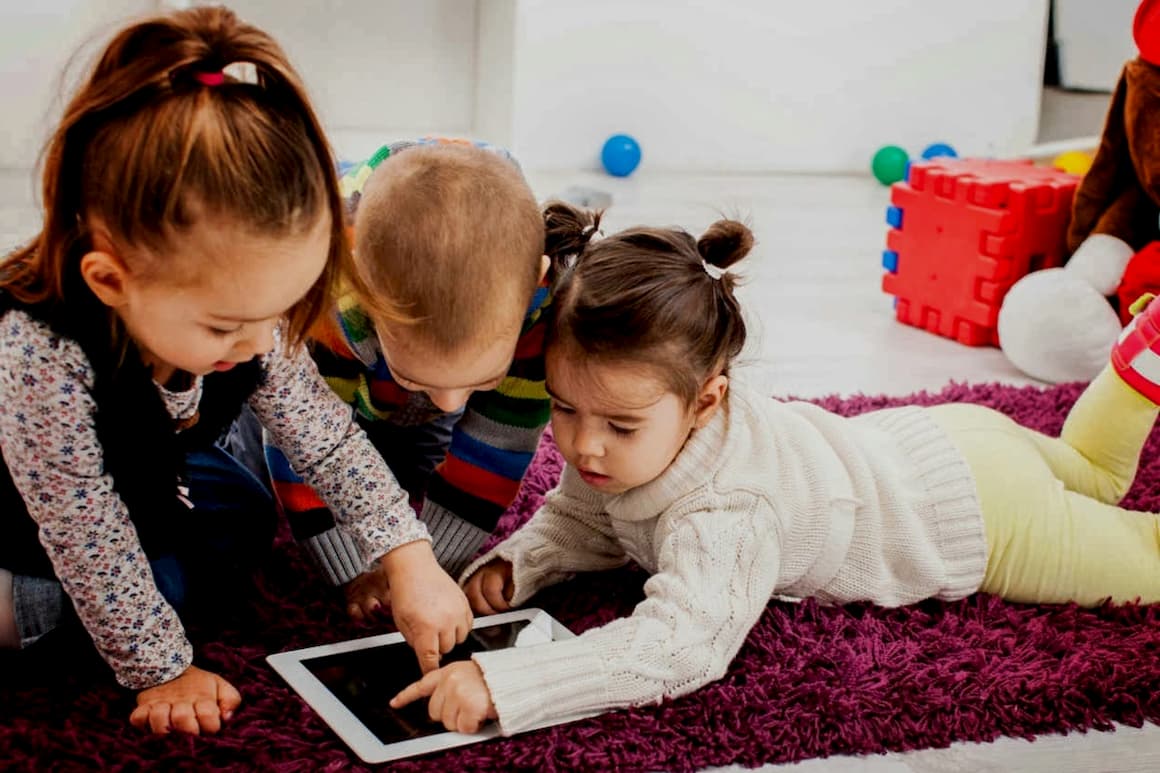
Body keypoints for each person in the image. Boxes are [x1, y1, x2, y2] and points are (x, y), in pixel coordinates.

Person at [392, 202, 1160, 735]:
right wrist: (518, 565)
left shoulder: (731, 509)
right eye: (564, 408)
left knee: (1140, 558)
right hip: (943, 437)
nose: (583, 447)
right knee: (1088, 469)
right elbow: (585, 515)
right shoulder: (635, 436)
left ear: (706, 401)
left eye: (619, 424)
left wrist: (510, 683)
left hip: (984, 516)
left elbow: (679, 646)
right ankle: (1137, 366)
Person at [0, 6, 470, 737]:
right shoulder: (40, 350)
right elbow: (81, 530)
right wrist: (161, 669)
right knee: (84, 601)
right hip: (28, 522)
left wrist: (408, 556)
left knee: (244, 515)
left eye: (277, 312)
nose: (259, 343)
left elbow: (329, 440)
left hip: (150, 477)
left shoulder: (250, 323)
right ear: (110, 279)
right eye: (225, 326)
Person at [265, 138, 560, 616]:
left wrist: (433, 568)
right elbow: (299, 440)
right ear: (365, 290)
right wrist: (352, 570)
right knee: (255, 449)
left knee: (407, 470)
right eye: (420, 377)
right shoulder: (324, 292)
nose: (450, 404)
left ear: (537, 283)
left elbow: (495, 449)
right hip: (316, 370)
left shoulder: (535, 304)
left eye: (480, 382)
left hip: (392, 398)